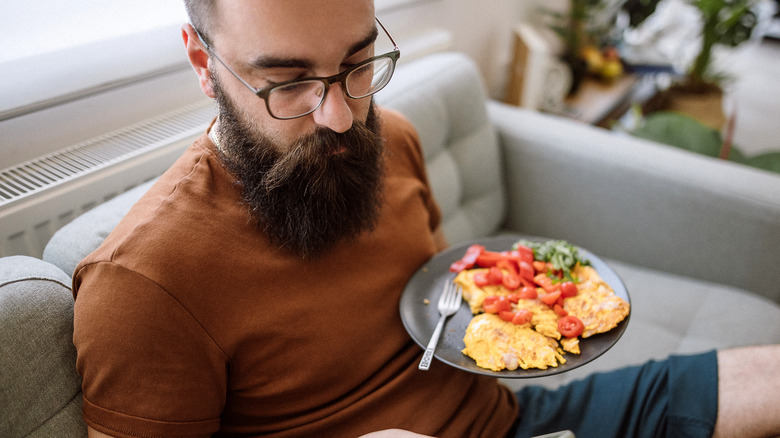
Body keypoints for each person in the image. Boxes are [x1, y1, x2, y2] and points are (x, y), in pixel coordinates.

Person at [71, 1, 780, 437]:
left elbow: (451, 302)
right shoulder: (143, 282)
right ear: (202, 62)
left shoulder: (393, 139)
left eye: (357, 63)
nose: (341, 116)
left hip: (519, 423)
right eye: (289, 82)